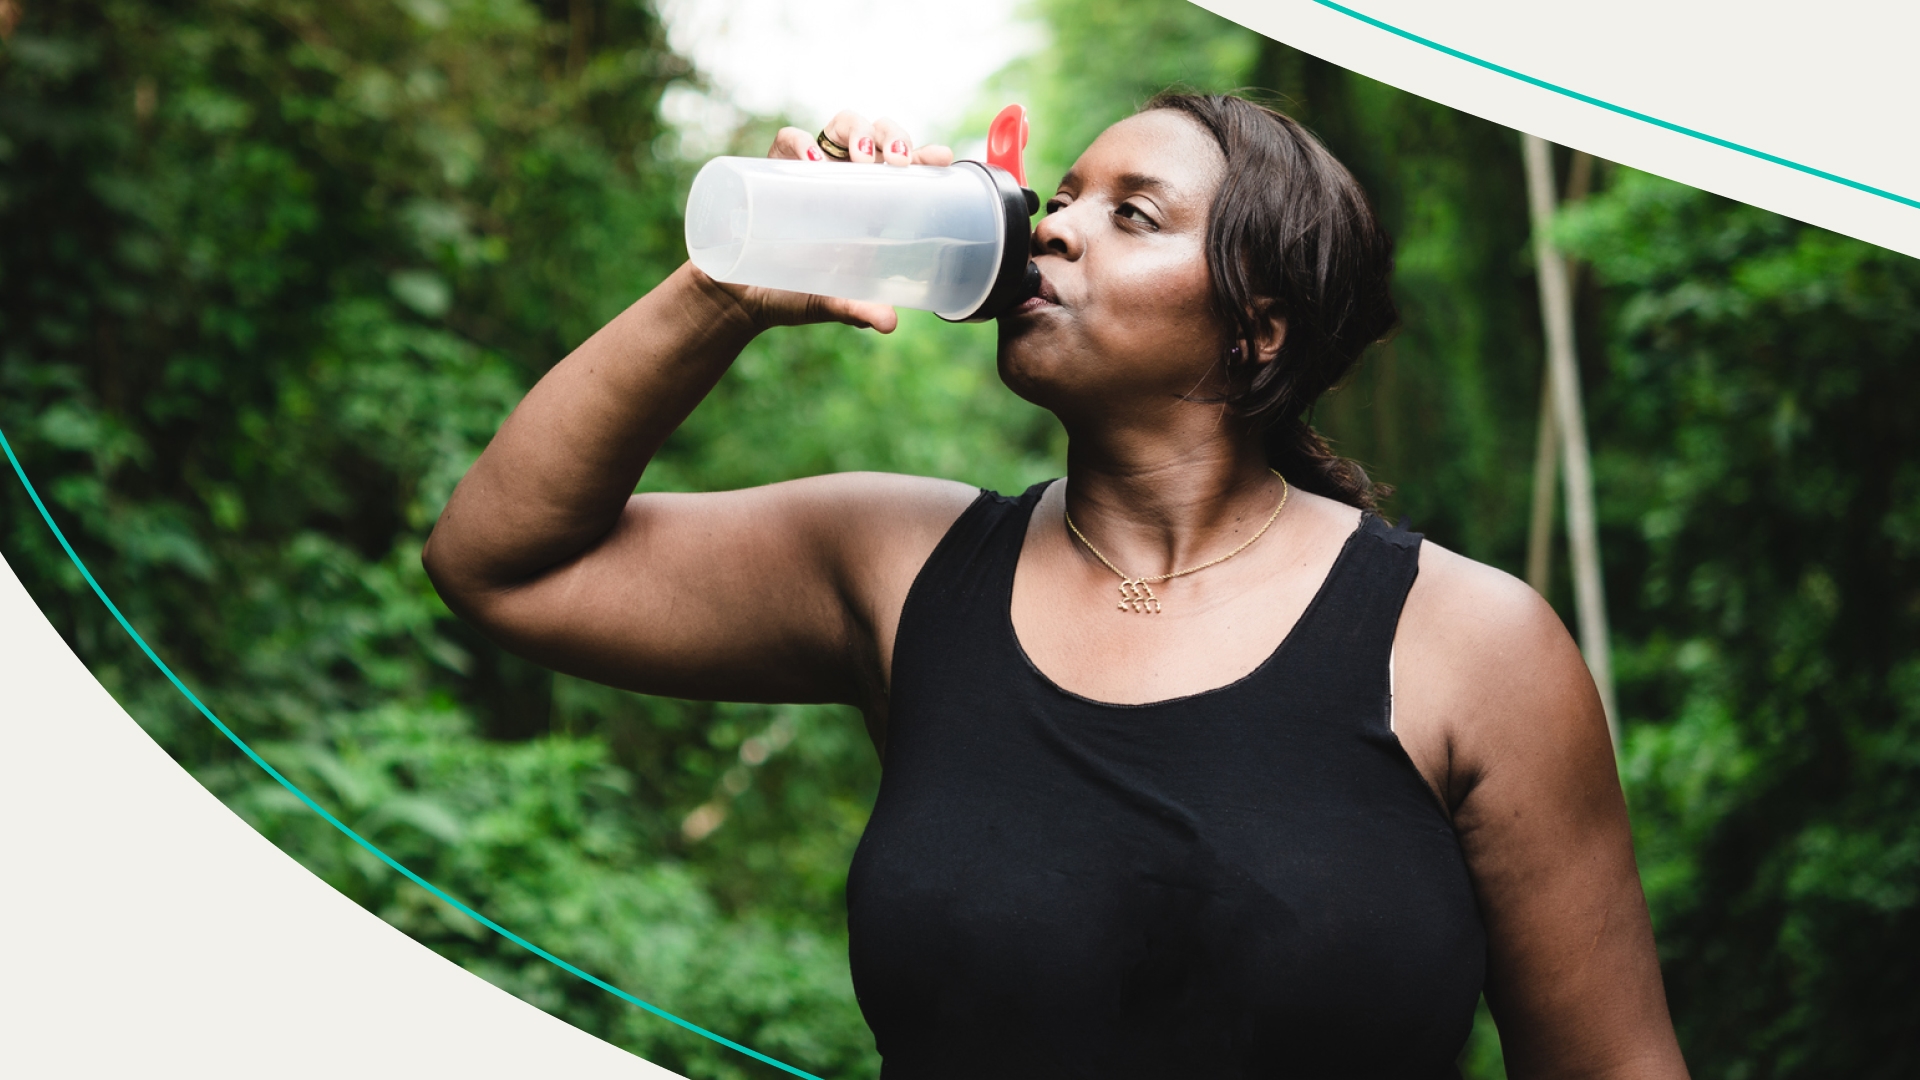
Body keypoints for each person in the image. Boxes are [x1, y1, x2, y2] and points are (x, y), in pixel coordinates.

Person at [423, 92, 1689, 1079]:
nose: (1054, 226)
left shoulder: (1471, 645)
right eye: (1063, 195)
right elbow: (504, 562)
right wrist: (728, 288)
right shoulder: (900, 562)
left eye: (1133, 214)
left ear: (1260, 327)